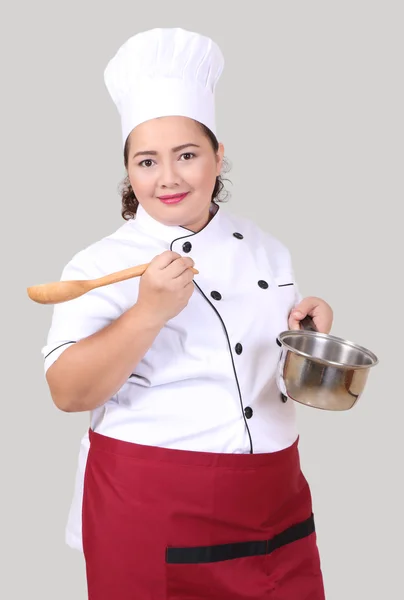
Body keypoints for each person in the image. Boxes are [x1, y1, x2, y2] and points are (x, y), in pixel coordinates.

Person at [42, 27, 332, 599]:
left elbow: (260, 377)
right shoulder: (103, 263)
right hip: (156, 505)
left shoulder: (267, 249)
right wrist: (147, 312)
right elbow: (68, 392)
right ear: (129, 171)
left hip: (276, 503)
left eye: (187, 155)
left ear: (218, 156)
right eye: (147, 161)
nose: (168, 177)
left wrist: (305, 341)